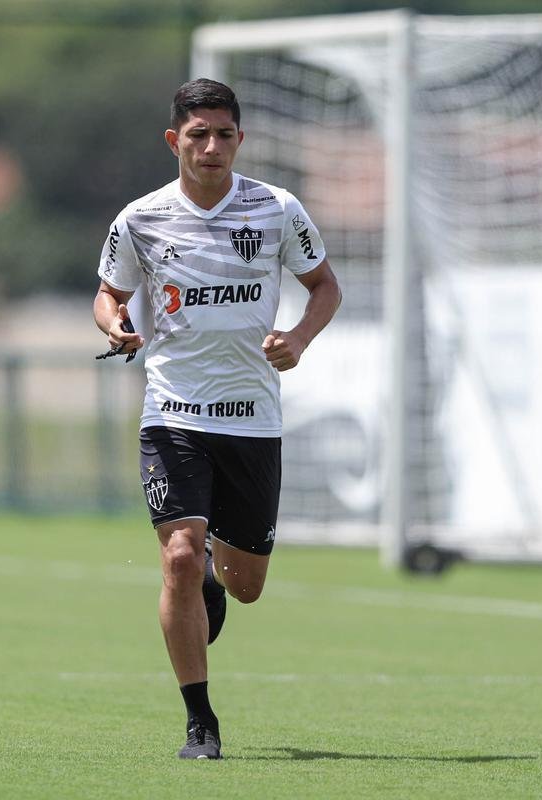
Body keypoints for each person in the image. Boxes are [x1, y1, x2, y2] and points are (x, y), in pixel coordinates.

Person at [92, 78, 341, 760]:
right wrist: (117, 325)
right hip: (172, 412)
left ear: (239, 139)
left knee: (246, 585)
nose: (210, 147)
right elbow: (110, 294)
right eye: (197, 135)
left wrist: (298, 338)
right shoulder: (140, 218)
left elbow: (325, 287)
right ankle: (200, 721)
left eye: (223, 135)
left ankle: (210, 574)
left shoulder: (276, 209)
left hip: (252, 421)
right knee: (177, 557)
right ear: (175, 141)